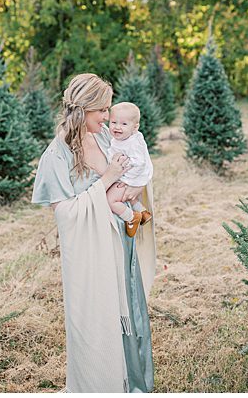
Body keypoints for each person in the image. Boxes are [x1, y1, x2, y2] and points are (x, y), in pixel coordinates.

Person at [32, 73, 156, 392]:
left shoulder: (103, 136)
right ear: (83, 109)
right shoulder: (57, 155)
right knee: (97, 324)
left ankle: (131, 382)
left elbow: (135, 166)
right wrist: (108, 178)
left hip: (121, 243)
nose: (107, 117)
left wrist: (135, 185)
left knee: (129, 316)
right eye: (102, 110)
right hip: (91, 256)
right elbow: (66, 215)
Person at [105, 102, 153, 237]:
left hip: (132, 178)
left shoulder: (132, 144)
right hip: (130, 176)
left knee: (111, 200)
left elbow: (139, 163)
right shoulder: (123, 138)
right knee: (130, 199)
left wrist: (128, 181)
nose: (117, 127)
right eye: (114, 122)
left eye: (124, 124)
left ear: (135, 127)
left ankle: (131, 217)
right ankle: (143, 213)